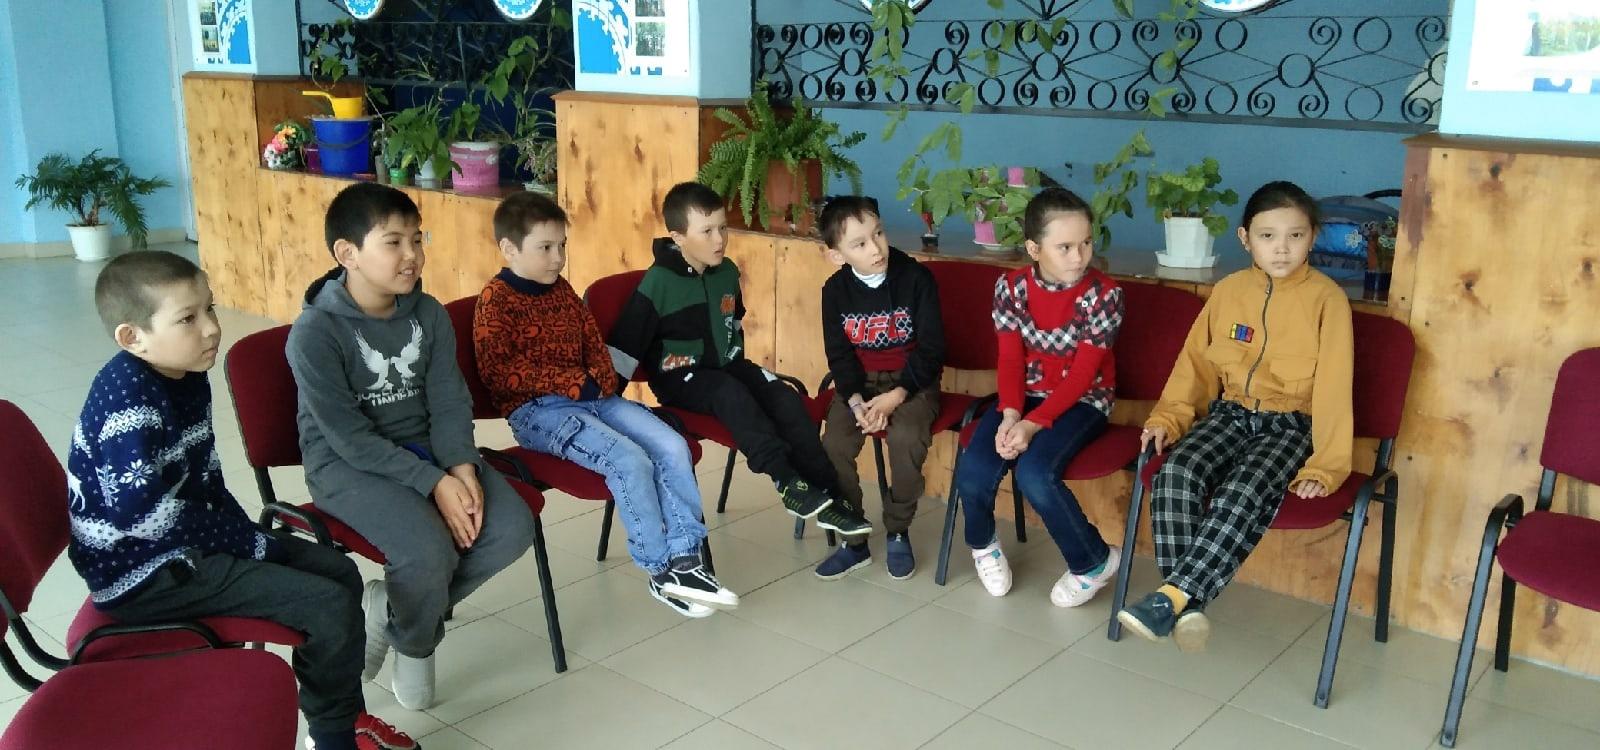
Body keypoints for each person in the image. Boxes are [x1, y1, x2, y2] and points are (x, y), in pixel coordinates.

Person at [66, 250, 416, 750]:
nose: (211, 328)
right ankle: (334, 739)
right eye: (187, 318)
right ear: (132, 337)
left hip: (186, 545)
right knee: (327, 605)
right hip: (143, 572)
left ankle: (344, 716)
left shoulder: (185, 373)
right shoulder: (130, 403)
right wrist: (248, 544)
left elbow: (206, 479)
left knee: (339, 572)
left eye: (209, 308)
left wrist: (249, 538)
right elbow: (146, 517)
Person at [287, 183, 536, 710]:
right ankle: (420, 645)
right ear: (347, 253)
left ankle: (395, 617)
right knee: (426, 552)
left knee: (511, 528)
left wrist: (461, 466)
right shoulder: (314, 332)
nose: (412, 255)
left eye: (417, 239)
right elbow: (349, 438)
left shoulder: (429, 313)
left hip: (428, 449)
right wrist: (434, 482)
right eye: (393, 242)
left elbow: (449, 401)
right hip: (347, 465)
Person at [472, 191, 737, 618]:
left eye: (562, 246)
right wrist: (576, 383)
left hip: (595, 399)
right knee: (629, 461)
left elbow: (594, 344)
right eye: (545, 248)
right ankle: (660, 570)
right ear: (509, 248)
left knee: (672, 446)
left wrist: (599, 379)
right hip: (539, 412)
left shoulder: (562, 291)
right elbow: (500, 372)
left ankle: (687, 560)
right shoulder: (496, 300)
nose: (558, 258)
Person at [1119, 180, 1353, 653]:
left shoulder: (1327, 300)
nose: (1282, 248)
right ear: (1246, 239)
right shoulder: (1228, 292)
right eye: (1268, 236)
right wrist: (1169, 418)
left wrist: (1326, 466)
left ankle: (1171, 598)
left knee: (1242, 491)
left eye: (1295, 236)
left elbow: (1334, 387)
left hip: (1290, 425)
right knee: (1175, 473)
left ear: (1312, 237)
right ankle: (1185, 606)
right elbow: (1195, 366)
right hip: (1230, 414)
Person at [608, 182, 869, 537]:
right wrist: (605, 401)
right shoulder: (658, 283)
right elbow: (624, 348)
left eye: (722, 228)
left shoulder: (727, 272)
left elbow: (732, 321)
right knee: (730, 393)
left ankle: (829, 494)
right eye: (707, 231)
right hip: (680, 379)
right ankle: (785, 480)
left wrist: (742, 366)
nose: (719, 240)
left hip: (727, 367)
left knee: (783, 397)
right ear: (678, 237)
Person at [954, 187, 1125, 608]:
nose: (1079, 256)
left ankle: (1094, 561)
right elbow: (1011, 359)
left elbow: (1083, 375)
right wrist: (1012, 414)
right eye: (1064, 246)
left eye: (1086, 243)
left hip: (1084, 401)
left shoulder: (1105, 295)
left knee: (1034, 473)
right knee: (974, 468)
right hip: (1024, 396)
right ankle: (983, 546)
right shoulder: (1010, 288)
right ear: (1034, 249)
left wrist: (1032, 424)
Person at [813, 196, 945, 581]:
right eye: (859, 244)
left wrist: (897, 395)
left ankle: (898, 529)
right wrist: (856, 401)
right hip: (860, 385)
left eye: (879, 234)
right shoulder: (834, 291)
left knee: (905, 438)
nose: (876, 248)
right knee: (834, 445)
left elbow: (932, 349)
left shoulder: (916, 278)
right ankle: (854, 538)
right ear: (836, 255)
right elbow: (839, 355)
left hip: (912, 382)